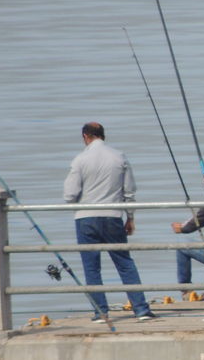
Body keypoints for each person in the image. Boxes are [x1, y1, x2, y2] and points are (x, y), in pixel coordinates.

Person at [62, 121, 155, 322]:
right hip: (113, 216)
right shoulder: (118, 157)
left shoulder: (80, 160)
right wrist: (130, 217)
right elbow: (129, 191)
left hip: (85, 218)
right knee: (124, 263)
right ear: (103, 135)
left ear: (85, 136)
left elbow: (69, 194)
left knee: (91, 267)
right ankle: (140, 309)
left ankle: (100, 312)